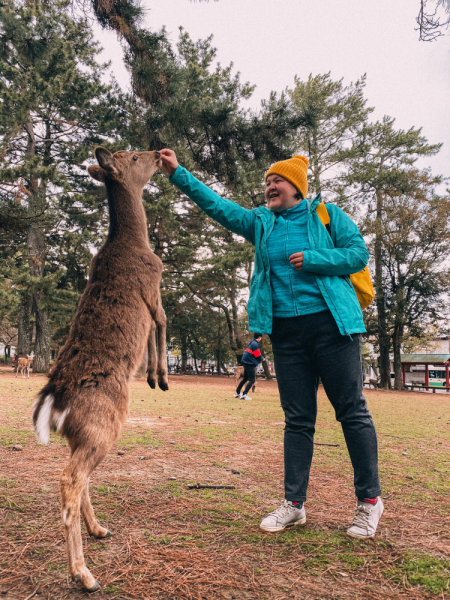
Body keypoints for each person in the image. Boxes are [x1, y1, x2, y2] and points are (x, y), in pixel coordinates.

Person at [160, 149, 383, 540]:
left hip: (333, 326)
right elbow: (218, 207)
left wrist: (314, 258)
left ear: (296, 186)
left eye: (276, 181)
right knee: (298, 420)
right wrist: (179, 173)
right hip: (287, 333)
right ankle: (293, 505)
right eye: (266, 184)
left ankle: (369, 502)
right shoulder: (262, 223)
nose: (269, 187)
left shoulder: (327, 215)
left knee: (351, 411)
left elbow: (357, 254)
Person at [235, 333, 265, 400]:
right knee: (252, 380)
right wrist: (262, 359)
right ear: (259, 337)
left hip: (246, 362)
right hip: (250, 363)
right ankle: (244, 394)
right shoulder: (255, 344)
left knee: (245, 378)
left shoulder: (251, 343)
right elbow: (257, 355)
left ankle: (237, 392)